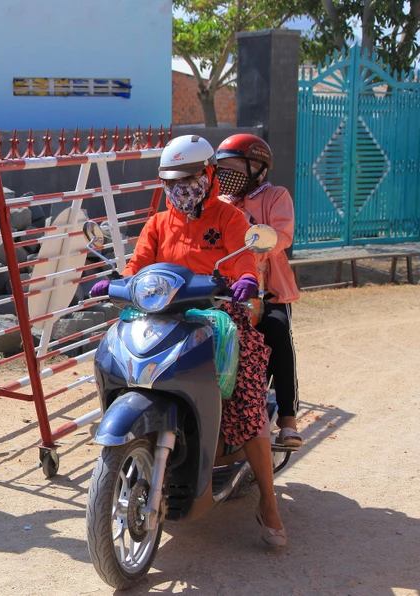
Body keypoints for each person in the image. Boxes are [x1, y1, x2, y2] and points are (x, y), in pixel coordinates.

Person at [91, 134, 287, 547]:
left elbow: (244, 257)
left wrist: (246, 278)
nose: (180, 187)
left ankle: (268, 502)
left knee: (247, 400)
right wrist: (115, 283)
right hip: (162, 314)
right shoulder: (158, 223)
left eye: (189, 177)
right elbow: (137, 266)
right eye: (171, 180)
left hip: (220, 315)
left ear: (209, 175)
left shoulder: (229, 218)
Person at [216, 134, 302, 449]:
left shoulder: (275, 196)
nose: (229, 173)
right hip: (228, 291)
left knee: (278, 331)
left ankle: (288, 418)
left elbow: (281, 235)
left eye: (237, 166)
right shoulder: (219, 202)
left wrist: (250, 248)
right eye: (224, 167)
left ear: (259, 169)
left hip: (269, 293)